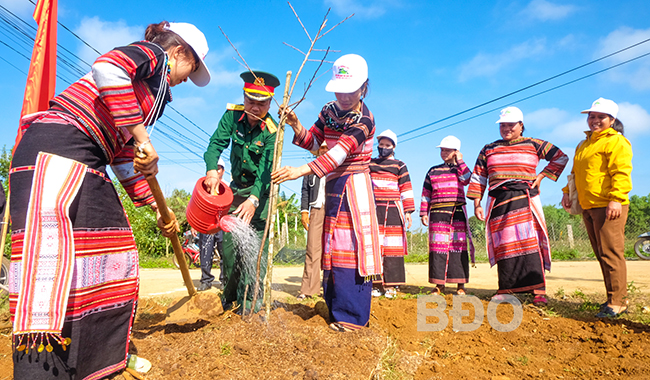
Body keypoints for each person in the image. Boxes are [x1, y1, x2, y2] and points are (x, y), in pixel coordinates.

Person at [9, 21, 209, 379]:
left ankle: (90, 362)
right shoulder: (153, 56)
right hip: (58, 151)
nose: (182, 82)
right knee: (50, 269)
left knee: (104, 253)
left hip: (83, 156)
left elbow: (121, 156)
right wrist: (144, 139)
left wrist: (154, 206)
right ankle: (42, 370)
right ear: (179, 53)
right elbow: (107, 67)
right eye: (188, 71)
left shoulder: (144, 98)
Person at [272, 54, 381, 332]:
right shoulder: (328, 110)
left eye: (351, 90)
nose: (344, 96)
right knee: (332, 248)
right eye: (339, 89)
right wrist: (295, 124)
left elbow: (338, 153)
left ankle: (353, 316)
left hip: (354, 186)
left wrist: (300, 171)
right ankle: (336, 308)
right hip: (332, 184)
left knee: (350, 249)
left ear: (364, 88)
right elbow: (313, 141)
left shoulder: (365, 120)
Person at [467, 106, 568, 305]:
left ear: (521, 125)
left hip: (525, 199)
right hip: (499, 202)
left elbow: (560, 156)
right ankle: (506, 289)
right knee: (505, 245)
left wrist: (542, 176)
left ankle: (538, 290)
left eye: (510, 125)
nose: (506, 129)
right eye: (503, 125)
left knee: (530, 242)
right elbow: (479, 175)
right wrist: (477, 204)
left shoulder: (534, 144)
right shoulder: (489, 148)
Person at [203, 71, 279, 312]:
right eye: (250, 101)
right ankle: (230, 298)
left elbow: (266, 172)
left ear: (270, 103)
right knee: (230, 250)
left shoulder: (272, 130)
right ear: (243, 97)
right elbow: (215, 145)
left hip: (261, 195)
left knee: (254, 254)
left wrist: (254, 200)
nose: (255, 108)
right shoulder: (232, 116)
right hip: (235, 193)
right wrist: (212, 171)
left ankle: (251, 307)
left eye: (262, 103)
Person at [561, 98, 632, 318]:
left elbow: (621, 172)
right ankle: (612, 297)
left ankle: (618, 302)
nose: (595, 121)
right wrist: (566, 192)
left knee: (611, 252)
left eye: (601, 117)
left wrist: (616, 199)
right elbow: (576, 172)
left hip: (608, 204)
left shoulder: (616, 142)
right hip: (588, 205)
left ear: (612, 119)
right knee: (601, 253)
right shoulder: (584, 144)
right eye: (592, 116)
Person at [420, 135, 474, 295]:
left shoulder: (461, 169)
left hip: (456, 213)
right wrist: (424, 212)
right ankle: (439, 285)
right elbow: (425, 193)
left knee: (458, 248)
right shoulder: (433, 170)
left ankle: (460, 285)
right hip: (437, 214)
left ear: (456, 152)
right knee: (438, 249)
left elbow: (467, 180)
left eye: (447, 150)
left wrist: (460, 161)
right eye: (442, 150)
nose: (443, 152)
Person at [369, 129, 415, 298]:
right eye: (381, 144)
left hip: (394, 209)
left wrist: (408, 211)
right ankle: (375, 284)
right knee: (374, 246)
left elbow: (406, 188)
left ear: (393, 147)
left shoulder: (399, 165)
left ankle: (392, 285)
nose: (383, 147)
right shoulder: (370, 163)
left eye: (387, 145)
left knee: (392, 247)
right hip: (374, 209)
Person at [297, 141, 329, 300]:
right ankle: (309, 289)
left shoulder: (337, 166)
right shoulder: (310, 168)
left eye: (326, 147)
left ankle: (331, 289)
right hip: (316, 210)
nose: (324, 150)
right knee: (312, 249)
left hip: (333, 211)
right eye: (321, 147)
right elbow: (304, 191)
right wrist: (304, 212)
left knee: (333, 250)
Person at [198, 157, 226, 291]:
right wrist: (194, 224)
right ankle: (206, 280)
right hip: (206, 225)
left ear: (222, 171)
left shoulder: (227, 189)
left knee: (225, 254)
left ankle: (224, 281)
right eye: (214, 168)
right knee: (205, 253)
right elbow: (196, 207)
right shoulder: (203, 187)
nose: (216, 170)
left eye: (219, 168)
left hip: (222, 226)